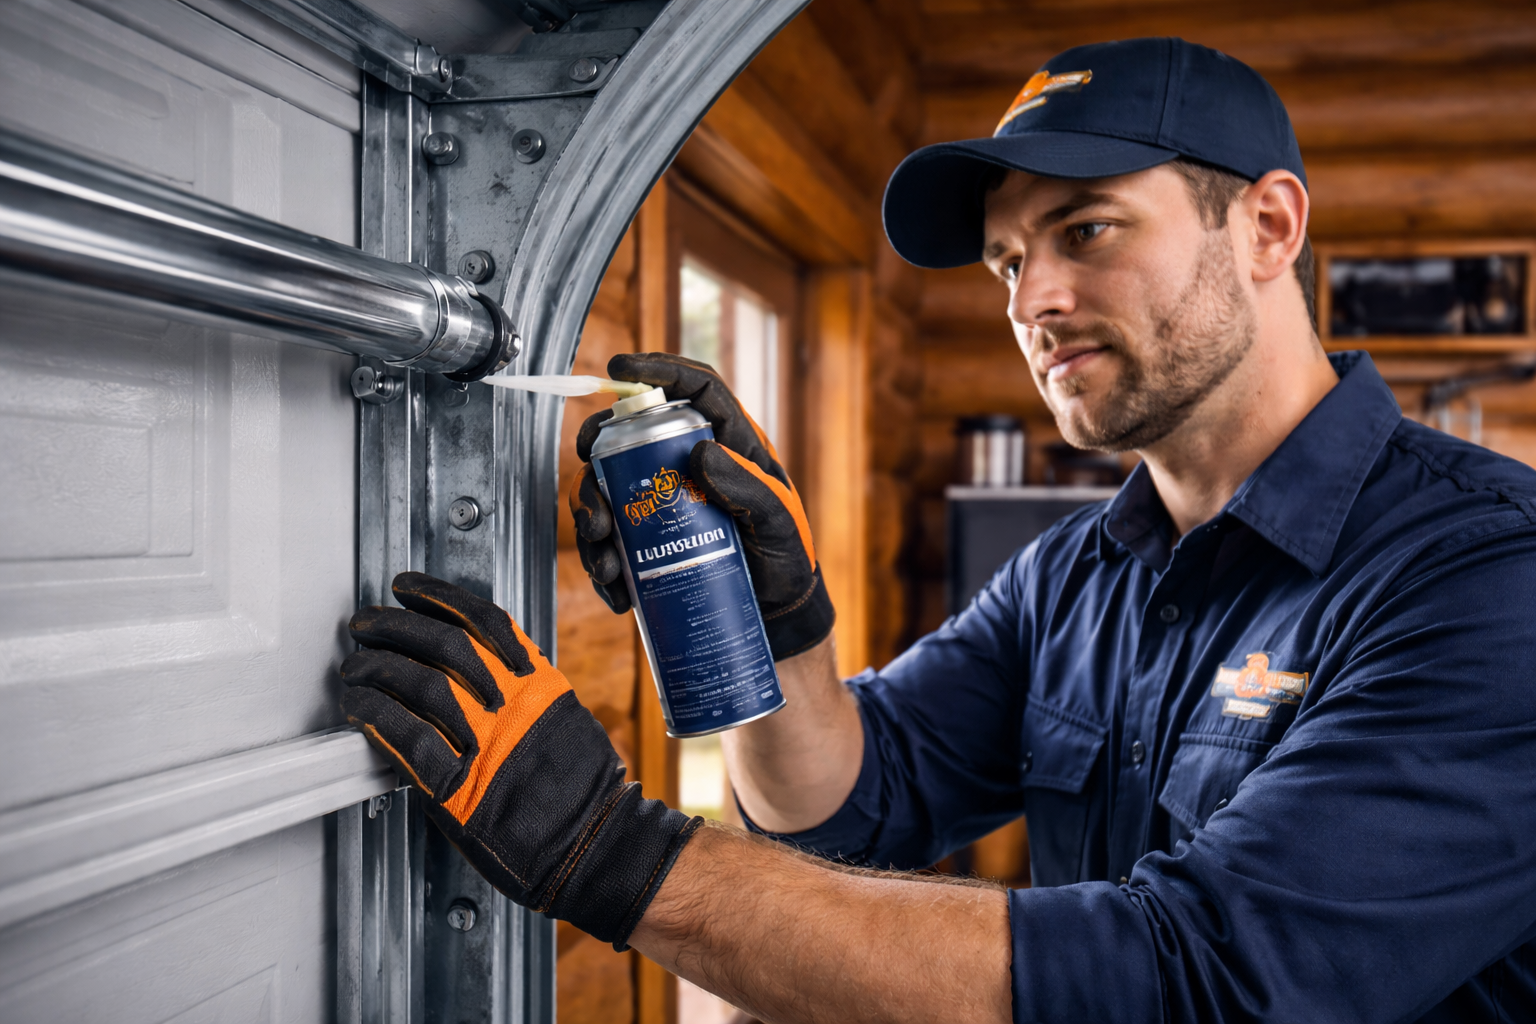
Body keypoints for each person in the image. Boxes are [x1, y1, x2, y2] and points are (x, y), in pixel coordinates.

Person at [339, 38, 1536, 1023]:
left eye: (1087, 230)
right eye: (1008, 261)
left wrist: (605, 851)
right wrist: (769, 627)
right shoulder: (1076, 575)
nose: (1031, 301)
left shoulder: (1484, 576)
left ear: (1269, 228)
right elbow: (840, 801)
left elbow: (1197, 979)